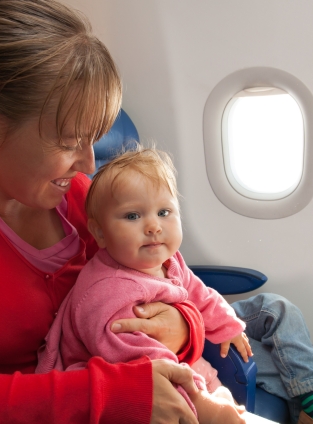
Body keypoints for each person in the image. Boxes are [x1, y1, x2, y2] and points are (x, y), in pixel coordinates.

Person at [0, 0, 313, 423]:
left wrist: (184, 324)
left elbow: (156, 279)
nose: (87, 162)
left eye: (93, 140)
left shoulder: (78, 199)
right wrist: (107, 396)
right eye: (69, 139)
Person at [35, 147, 251, 424]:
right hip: (122, 377)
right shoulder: (107, 291)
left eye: (164, 212)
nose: (153, 226)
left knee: (220, 392)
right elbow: (138, 360)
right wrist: (200, 403)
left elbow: (199, 293)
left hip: (174, 361)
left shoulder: (169, 260)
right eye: (133, 216)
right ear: (100, 232)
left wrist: (227, 326)